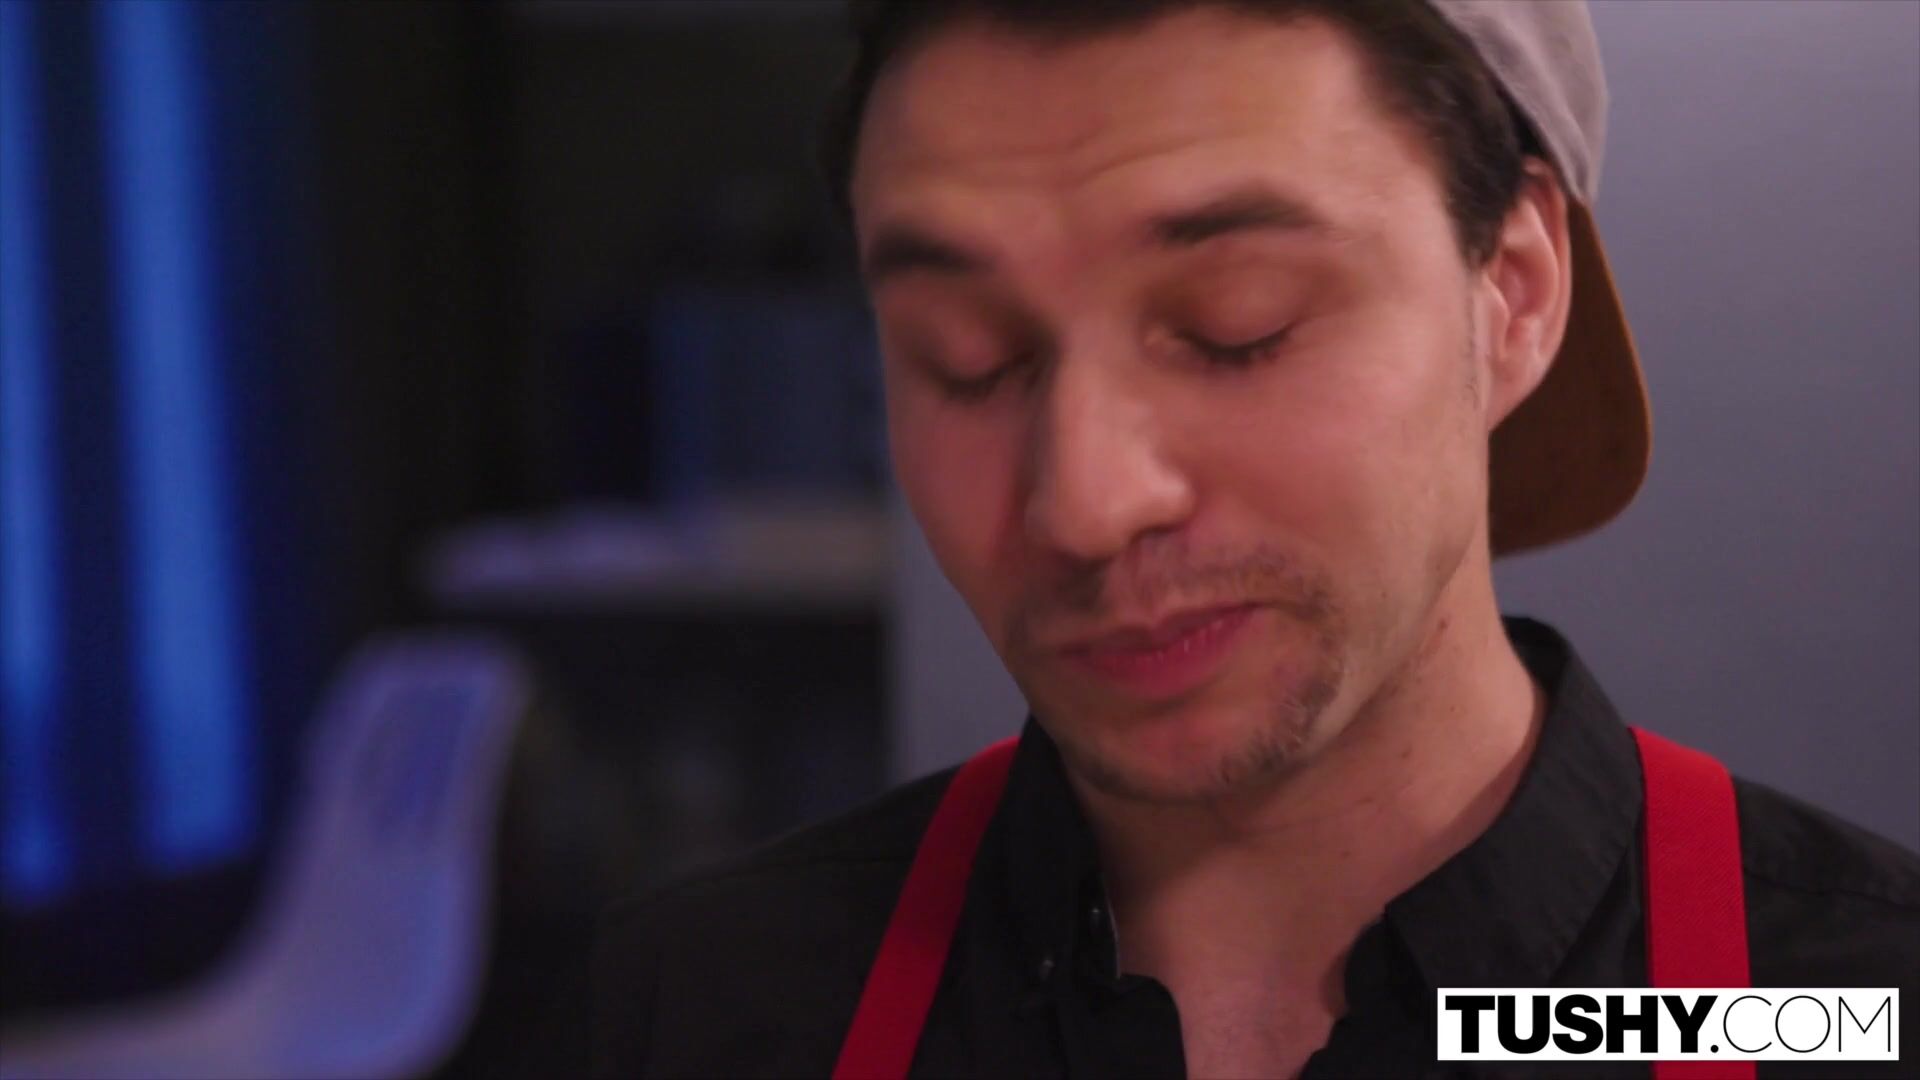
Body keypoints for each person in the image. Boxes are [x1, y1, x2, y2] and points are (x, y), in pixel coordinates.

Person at [590, 2, 1920, 1076]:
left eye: (1242, 326)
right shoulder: (715, 1012)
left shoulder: (1841, 1013)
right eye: (968, 359)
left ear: (1513, 294)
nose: (1084, 505)